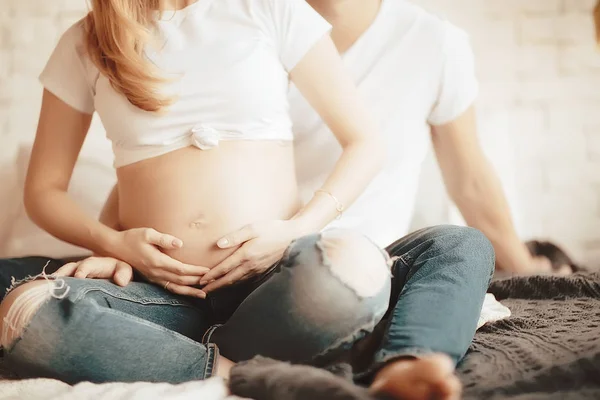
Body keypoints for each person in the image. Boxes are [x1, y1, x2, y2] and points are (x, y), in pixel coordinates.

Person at [0, 0, 517, 399]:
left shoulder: (270, 9)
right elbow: (44, 190)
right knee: (23, 311)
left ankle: (410, 362)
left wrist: (296, 229)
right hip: (164, 293)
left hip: (278, 280)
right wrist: (112, 242)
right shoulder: (87, 41)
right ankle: (227, 369)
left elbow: (366, 142)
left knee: (445, 248)